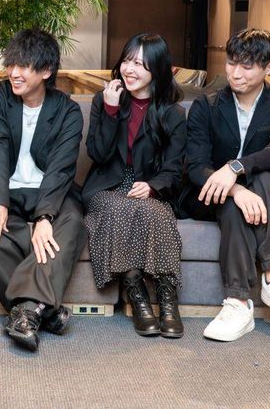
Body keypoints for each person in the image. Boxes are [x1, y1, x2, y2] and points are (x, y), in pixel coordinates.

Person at [183, 28, 270, 342]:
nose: (235, 73)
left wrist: (236, 168)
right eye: (231, 63)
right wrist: (235, 188)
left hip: (262, 193)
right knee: (237, 195)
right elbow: (195, 165)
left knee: (262, 176)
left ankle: (239, 301)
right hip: (208, 194)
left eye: (246, 66)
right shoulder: (206, 105)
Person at [0, 28, 85, 352]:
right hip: (4, 188)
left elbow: (61, 168)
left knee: (72, 222)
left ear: (46, 71)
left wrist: (45, 216)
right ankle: (42, 309)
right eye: (11, 64)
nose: (14, 73)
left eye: (23, 66)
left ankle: (25, 311)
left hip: (47, 191)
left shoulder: (67, 111)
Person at [82, 34, 186, 338]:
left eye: (140, 64)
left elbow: (174, 169)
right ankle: (137, 294)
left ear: (158, 69)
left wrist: (152, 187)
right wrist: (111, 110)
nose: (129, 69)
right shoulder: (104, 100)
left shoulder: (172, 112)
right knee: (118, 208)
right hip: (108, 184)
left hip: (151, 186)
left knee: (157, 213)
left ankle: (167, 297)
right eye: (127, 60)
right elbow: (97, 154)